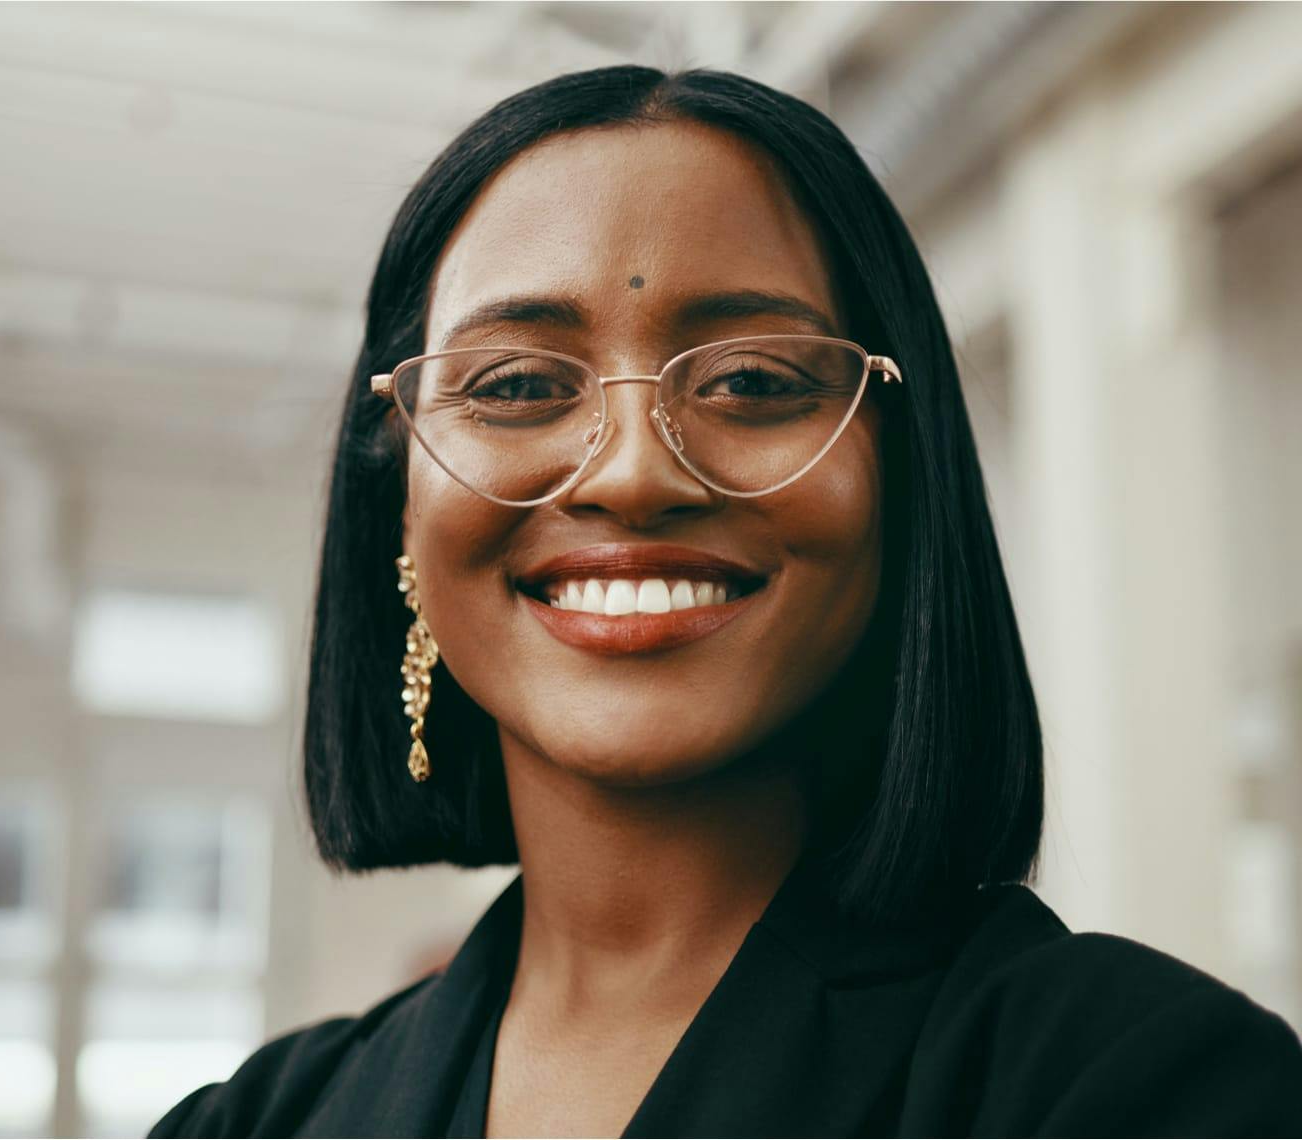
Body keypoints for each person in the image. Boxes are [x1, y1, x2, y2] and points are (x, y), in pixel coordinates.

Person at [150, 65, 1302, 1138]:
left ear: (900, 480)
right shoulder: (253, 1124)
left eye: (753, 381)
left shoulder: (1145, 1088)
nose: (632, 472)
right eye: (515, 386)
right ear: (397, 509)